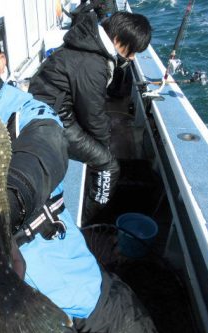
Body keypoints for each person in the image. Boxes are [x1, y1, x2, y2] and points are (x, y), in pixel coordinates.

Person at [0, 12, 158, 333]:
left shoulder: (27, 110)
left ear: (2, 60)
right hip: (3, 300)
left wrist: (4, 209)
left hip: (70, 271)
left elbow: (44, 146)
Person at [28, 9, 152, 224]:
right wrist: (103, 149)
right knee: (108, 165)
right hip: (52, 121)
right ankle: (88, 219)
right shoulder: (92, 64)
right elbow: (93, 116)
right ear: (117, 39)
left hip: (51, 109)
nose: (132, 58)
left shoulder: (87, 44)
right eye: (132, 51)